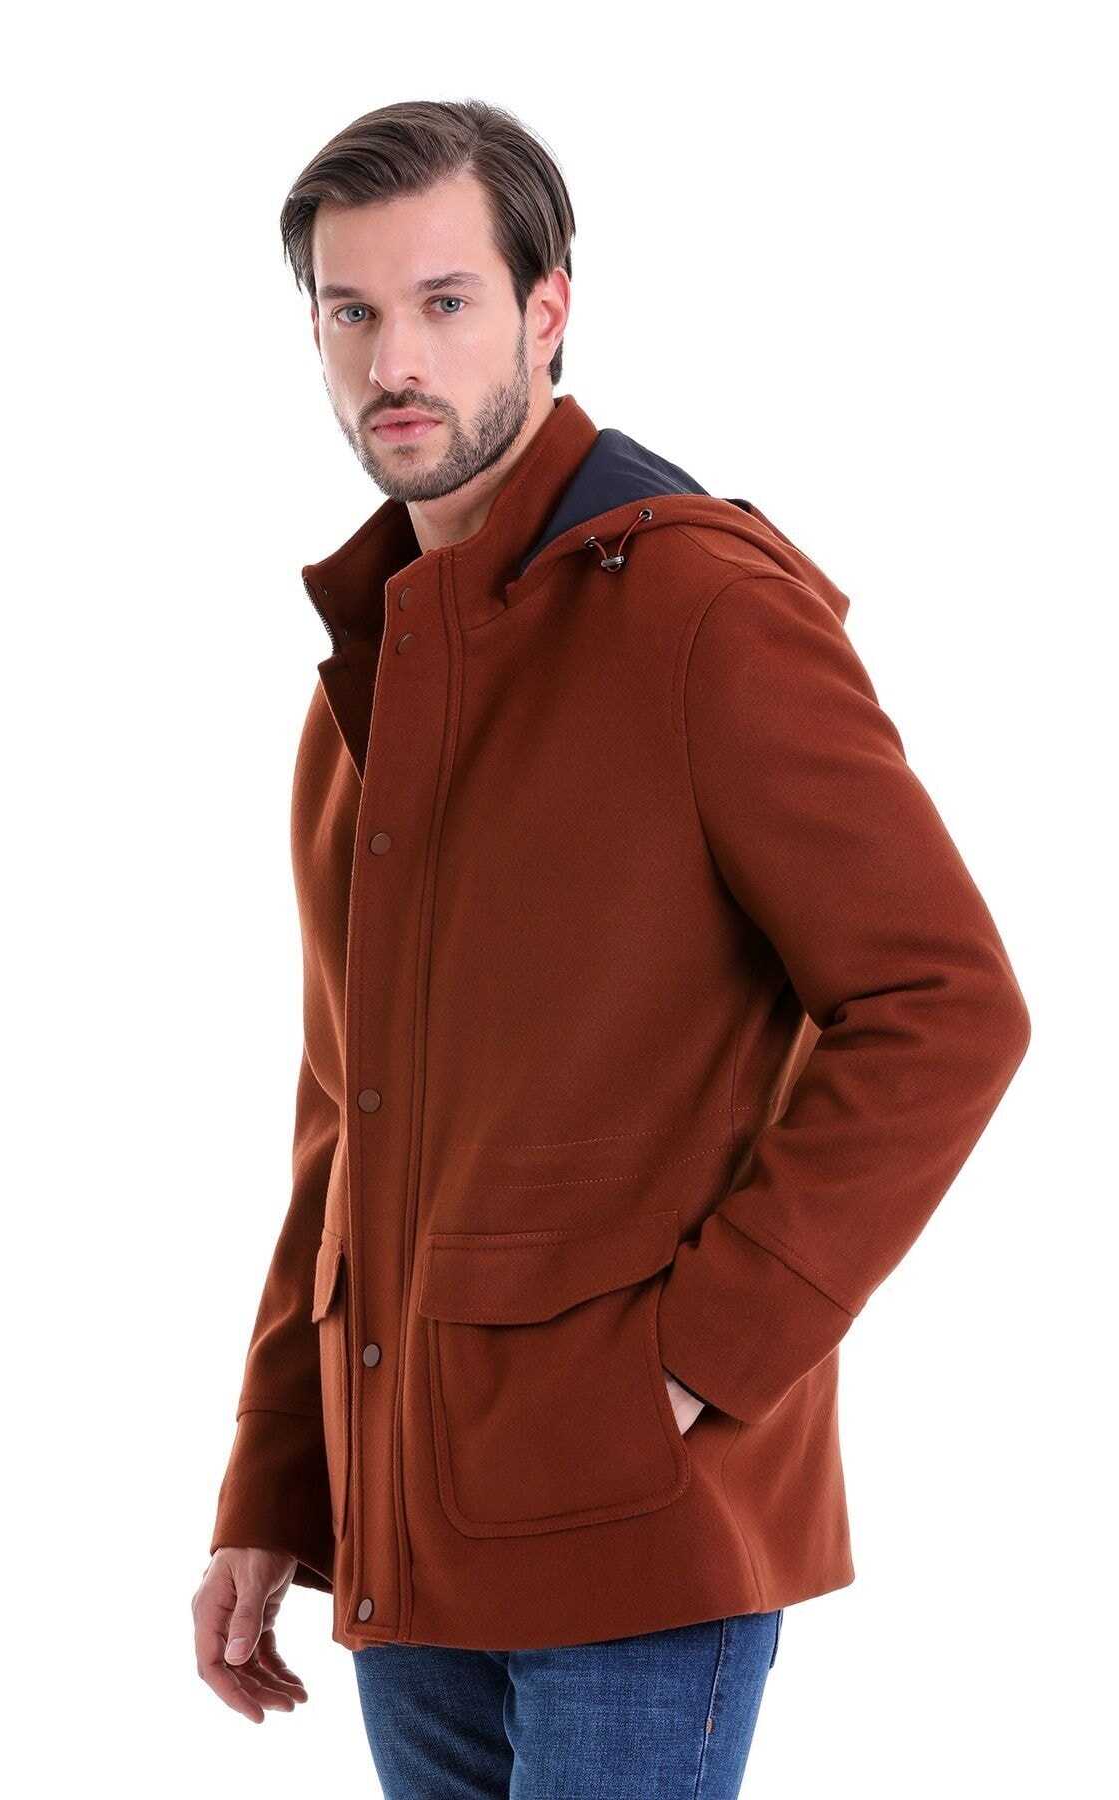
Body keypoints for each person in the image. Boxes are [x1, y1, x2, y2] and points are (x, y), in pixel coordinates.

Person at [192, 99, 1031, 1798]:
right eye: (352, 313)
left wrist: (700, 1363)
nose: (393, 362)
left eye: (444, 303)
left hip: (638, 1537)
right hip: (407, 1541)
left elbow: (945, 1006)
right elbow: (344, 1119)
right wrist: (275, 1485)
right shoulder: (367, 688)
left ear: (547, 310)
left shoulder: (701, 609)